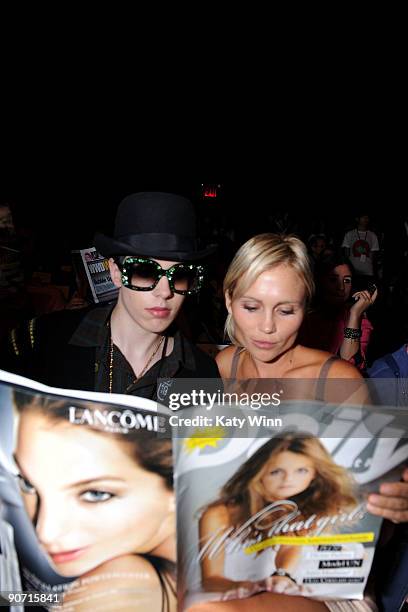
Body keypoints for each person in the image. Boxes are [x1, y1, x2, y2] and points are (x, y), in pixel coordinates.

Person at [191, 233, 408, 612]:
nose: (267, 327)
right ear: (228, 299)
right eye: (251, 306)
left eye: (285, 310)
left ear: (305, 308)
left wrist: (393, 508)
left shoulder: (339, 382)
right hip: (233, 559)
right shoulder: (218, 371)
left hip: (321, 578)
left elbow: (371, 525)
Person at [0, 192, 220, 397]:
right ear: (116, 273)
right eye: (144, 271)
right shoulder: (42, 339)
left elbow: (203, 439)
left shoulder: (202, 375)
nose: (165, 292)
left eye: (180, 275)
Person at [11, 390, 176, 611]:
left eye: (95, 494)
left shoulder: (121, 586)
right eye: (29, 484)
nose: (45, 533)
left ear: (177, 488)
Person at [198, 433, 358, 596]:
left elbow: (289, 547)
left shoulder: (303, 508)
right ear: (259, 473)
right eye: (276, 472)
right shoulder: (219, 514)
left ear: (315, 474)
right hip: (235, 594)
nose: (288, 479)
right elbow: (210, 580)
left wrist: (281, 577)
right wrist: (253, 586)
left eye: (301, 471)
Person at [298, 252, 377, 371]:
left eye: (347, 281)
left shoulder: (359, 321)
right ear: (320, 282)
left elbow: (349, 365)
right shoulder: (303, 317)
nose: (341, 287)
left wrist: (354, 315)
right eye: (333, 280)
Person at [341, 213, 379, 291]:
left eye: (367, 217)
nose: (366, 219)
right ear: (357, 219)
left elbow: (373, 256)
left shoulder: (373, 235)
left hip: (368, 272)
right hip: (353, 271)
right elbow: (346, 255)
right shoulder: (349, 234)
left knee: (366, 298)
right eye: (363, 217)